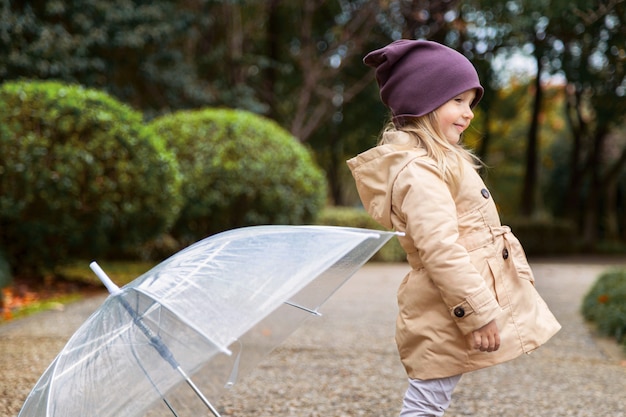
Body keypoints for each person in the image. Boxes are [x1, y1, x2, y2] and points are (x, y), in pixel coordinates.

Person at [347, 39, 561, 417]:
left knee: (431, 399)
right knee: (426, 402)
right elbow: (440, 248)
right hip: (446, 307)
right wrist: (478, 313)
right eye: (457, 101)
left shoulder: (437, 162)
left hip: (449, 303)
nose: (469, 113)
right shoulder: (421, 172)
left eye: (470, 102)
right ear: (424, 102)